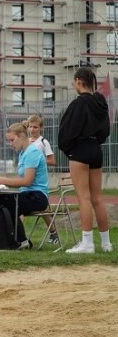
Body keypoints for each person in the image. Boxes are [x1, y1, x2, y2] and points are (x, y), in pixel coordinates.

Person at [58, 67, 112, 254]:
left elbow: (67, 130)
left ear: (79, 81)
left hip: (80, 150)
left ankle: (87, 242)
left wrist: (67, 148)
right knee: (98, 198)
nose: (73, 84)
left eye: (74, 81)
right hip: (96, 149)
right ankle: (106, 243)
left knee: (84, 198)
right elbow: (106, 130)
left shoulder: (78, 104)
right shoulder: (101, 103)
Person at [0, 122, 49, 249]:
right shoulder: (22, 153)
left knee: (8, 203)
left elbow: (27, 181)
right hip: (26, 194)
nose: (10, 144)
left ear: (21, 136)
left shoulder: (32, 153)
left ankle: (20, 240)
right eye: (8, 141)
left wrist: (4, 180)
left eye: (12, 140)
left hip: (38, 196)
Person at [25, 114, 59, 244]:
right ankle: (19, 234)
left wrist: (38, 161)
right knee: (19, 205)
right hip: (27, 179)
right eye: (30, 126)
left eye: (35, 127)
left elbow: (52, 160)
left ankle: (53, 233)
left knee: (42, 208)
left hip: (39, 181)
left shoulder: (43, 142)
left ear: (41, 128)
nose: (32, 130)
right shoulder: (26, 141)